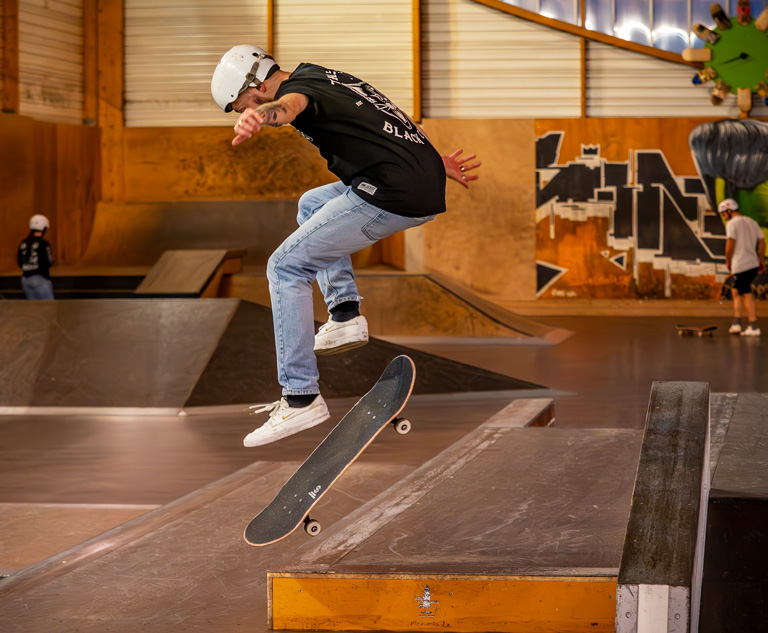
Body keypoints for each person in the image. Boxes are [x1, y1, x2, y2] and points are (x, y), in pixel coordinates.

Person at [211, 46, 481, 447]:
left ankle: (300, 397)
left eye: (245, 103)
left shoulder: (296, 93)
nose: (247, 112)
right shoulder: (323, 75)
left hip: (392, 192)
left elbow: (287, 107)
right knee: (312, 203)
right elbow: (382, 118)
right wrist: (433, 163)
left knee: (285, 267)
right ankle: (344, 313)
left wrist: (263, 115)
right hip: (413, 175)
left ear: (259, 85)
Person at [718, 198, 765, 336]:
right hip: (752, 263)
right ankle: (737, 323)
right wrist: (760, 260)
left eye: (723, 213)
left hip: (741, 264)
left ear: (729, 211)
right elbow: (762, 242)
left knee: (746, 293)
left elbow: (730, 244)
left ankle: (754, 326)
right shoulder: (752, 222)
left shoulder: (732, 224)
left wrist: (728, 260)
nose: (723, 217)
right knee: (736, 291)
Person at [18, 214, 55, 300]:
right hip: (40, 279)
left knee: (33, 310)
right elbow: (48, 262)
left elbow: (20, 262)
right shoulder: (44, 244)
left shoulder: (23, 243)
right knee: (48, 309)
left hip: (25, 279)